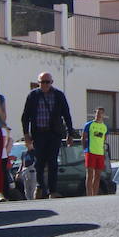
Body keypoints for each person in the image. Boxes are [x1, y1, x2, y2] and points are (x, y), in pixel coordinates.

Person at [21, 72, 74, 200]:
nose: (45, 84)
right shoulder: (33, 96)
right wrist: (26, 135)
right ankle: (40, 187)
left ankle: (53, 191)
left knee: (52, 162)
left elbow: (66, 114)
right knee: (39, 162)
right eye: (42, 82)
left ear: (51, 82)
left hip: (54, 133)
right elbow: (25, 117)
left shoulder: (58, 95)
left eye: (47, 82)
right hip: (38, 133)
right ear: (38, 82)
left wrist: (70, 133)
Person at [81, 108, 109, 196]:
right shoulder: (89, 125)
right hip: (90, 152)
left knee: (97, 175)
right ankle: (89, 195)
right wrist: (84, 149)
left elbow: (103, 139)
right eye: (97, 113)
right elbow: (83, 138)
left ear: (103, 115)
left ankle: (95, 195)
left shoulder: (104, 127)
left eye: (100, 113)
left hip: (100, 153)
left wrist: (103, 152)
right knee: (90, 174)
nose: (98, 115)